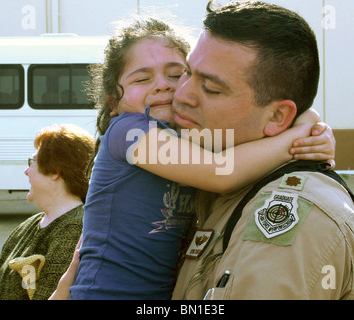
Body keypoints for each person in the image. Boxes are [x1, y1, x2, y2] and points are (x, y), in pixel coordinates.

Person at [65, 18, 334, 300]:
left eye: (176, 74)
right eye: (142, 79)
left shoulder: (184, 137)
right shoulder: (129, 131)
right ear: (112, 102)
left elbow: (257, 137)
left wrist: (315, 131)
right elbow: (221, 171)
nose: (163, 86)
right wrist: (297, 140)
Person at [171, 1, 354, 300]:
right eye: (187, 73)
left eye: (211, 89)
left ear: (277, 117)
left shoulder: (295, 215)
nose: (182, 94)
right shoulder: (224, 185)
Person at [0, 124, 95, 300]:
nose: (27, 171)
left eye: (33, 162)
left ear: (55, 171)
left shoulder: (74, 229)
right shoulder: (28, 225)